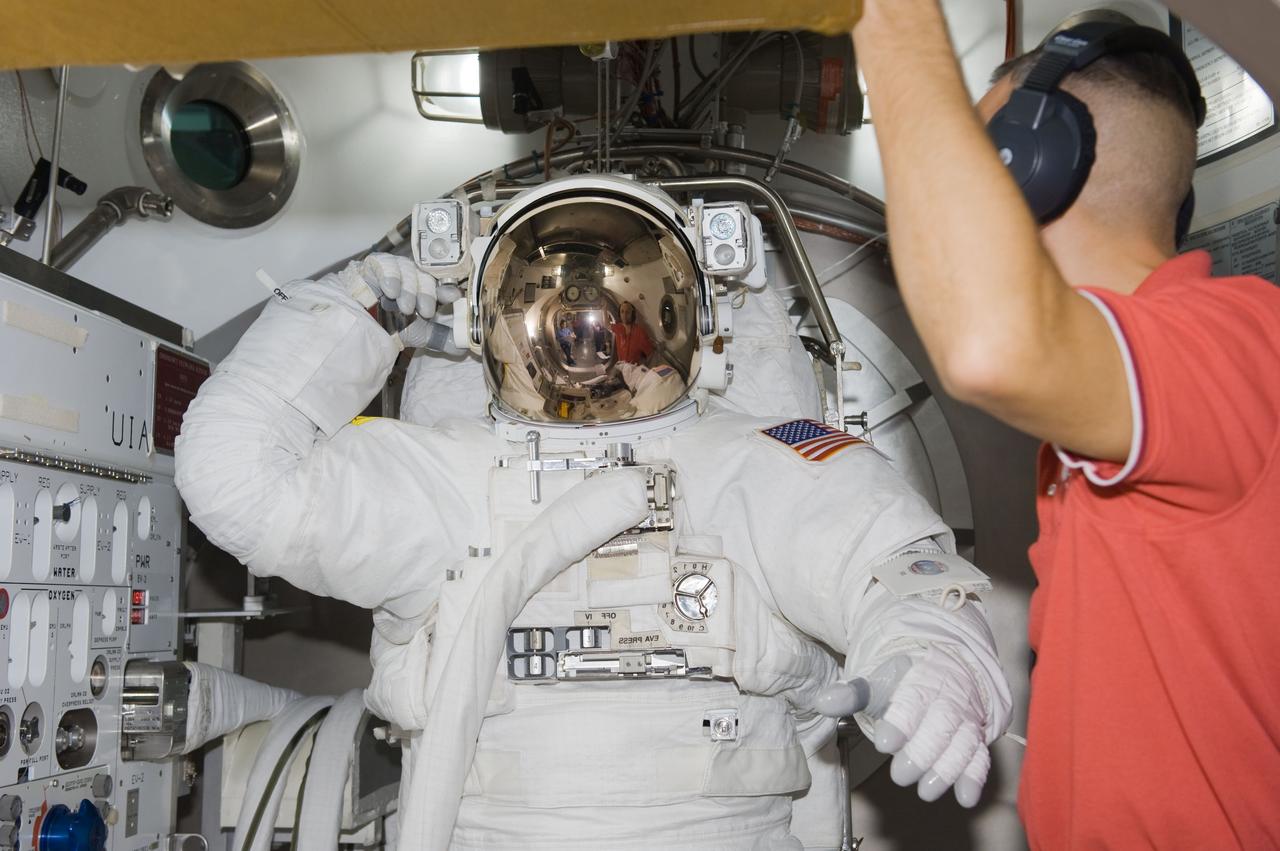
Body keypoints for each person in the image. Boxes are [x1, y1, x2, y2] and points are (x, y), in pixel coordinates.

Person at [174, 176, 1012, 849]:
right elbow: (233, 476)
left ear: (683, 320)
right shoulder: (448, 472)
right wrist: (361, 310)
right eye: (556, 308)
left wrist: (937, 657)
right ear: (499, 319)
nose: (586, 341)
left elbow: (894, 571)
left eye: (621, 306)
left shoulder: (747, 459)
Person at [854, 4, 1280, 847]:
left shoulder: (1238, 340)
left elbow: (988, 345)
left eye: (975, 161)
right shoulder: (1104, 419)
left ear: (1030, 166)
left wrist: (887, 15)